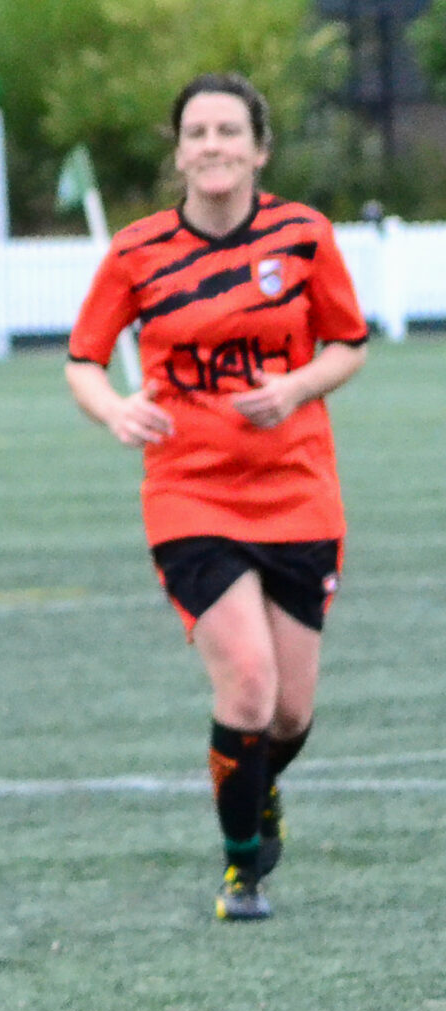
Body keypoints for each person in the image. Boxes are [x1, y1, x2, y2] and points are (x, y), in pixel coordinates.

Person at [64, 74, 365, 922]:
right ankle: (243, 873)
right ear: (179, 150)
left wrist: (298, 385)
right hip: (190, 493)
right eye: (197, 132)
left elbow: (349, 344)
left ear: (259, 148)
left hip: (300, 492)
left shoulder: (304, 237)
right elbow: (83, 360)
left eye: (229, 130)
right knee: (247, 682)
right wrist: (115, 407)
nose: (213, 146)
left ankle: (258, 784)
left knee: (292, 711)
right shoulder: (137, 251)